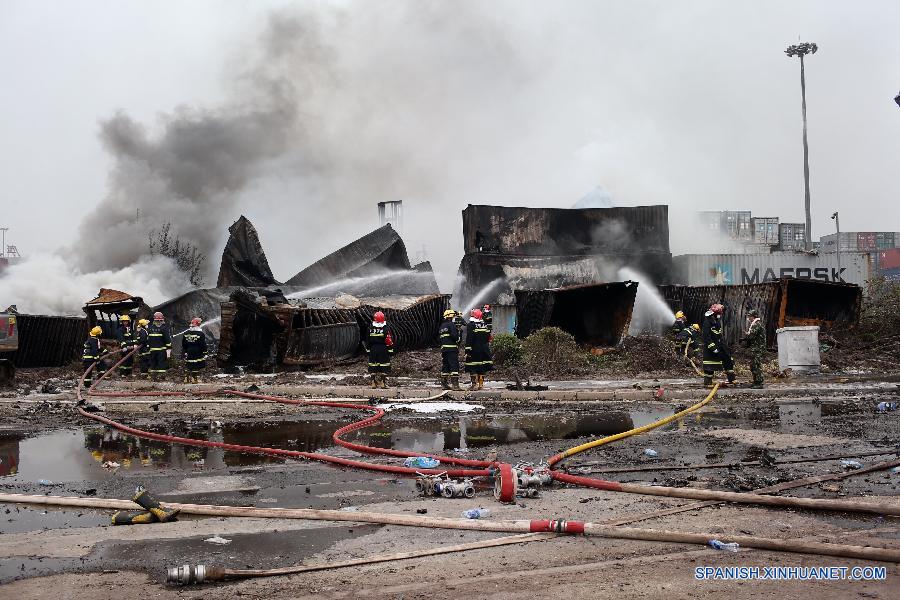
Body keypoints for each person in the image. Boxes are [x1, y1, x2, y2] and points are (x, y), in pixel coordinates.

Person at [701, 303, 735, 387]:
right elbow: (706, 337)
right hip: (711, 349)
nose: (720, 315)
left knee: (728, 359)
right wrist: (713, 347)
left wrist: (724, 347)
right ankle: (707, 382)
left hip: (719, 346)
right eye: (719, 314)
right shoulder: (707, 322)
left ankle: (731, 379)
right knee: (710, 365)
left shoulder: (716, 322)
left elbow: (719, 336)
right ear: (714, 314)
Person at [464, 308, 493, 391]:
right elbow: (488, 337)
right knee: (482, 367)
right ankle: (481, 384)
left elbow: (469, 339)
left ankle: (474, 384)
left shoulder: (471, 325)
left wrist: (467, 350)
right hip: (484, 350)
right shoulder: (485, 325)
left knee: (472, 366)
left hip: (474, 350)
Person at [367, 311, 394, 389]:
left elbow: (367, 340)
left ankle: (373, 383)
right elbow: (388, 340)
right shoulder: (385, 329)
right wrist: (391, 350)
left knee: (373, 365)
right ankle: (383, 383)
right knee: (384, 365)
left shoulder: (370, 328)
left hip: (373, 349)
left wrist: (368, 350)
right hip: (383, 349)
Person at [438, 308, 462, 390]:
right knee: (454, 366)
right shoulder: (451, 325)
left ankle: (444, 384)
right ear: (450, 317)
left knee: (446, 366)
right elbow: (455, 337)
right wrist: (459, 333)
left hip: (444, 349)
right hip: (452, 349)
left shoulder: (442, 326)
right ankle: (455, 385)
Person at [742, 309, 766, 389]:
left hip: (757, 348)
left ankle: (759, 382)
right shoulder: (757, 324)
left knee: (756, 366)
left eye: (749, 316)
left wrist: (746, 335)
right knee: (753, 365)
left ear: (753, 316)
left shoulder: (756, 324)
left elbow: (751, 336)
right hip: (756, 348)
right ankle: (756, 381)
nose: (748, 318)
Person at [181, 317, 208, 383]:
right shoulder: (200, 334)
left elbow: (183, 343)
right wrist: (205, 352)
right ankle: (194, 379)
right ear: (198, 325)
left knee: (188, 364)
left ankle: (186, 378)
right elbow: (202, 344)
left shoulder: (186, 333)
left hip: (189, 351)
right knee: (196, 365)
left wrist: (185, 351)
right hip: (197, 351)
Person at [147, 312, 172, 381]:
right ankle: (161, 376)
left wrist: (148, 347)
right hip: (161, 350)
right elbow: (167, 339)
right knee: (161, 363)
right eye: (158, 320)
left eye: (159, 320)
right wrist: (169, 349)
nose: (159, 322)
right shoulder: (164, 328)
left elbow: (148, 339)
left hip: (152, 350)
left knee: (153, 362)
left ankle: (153, 377)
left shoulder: (150, 328)